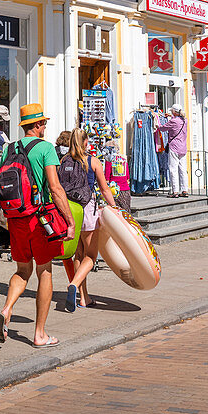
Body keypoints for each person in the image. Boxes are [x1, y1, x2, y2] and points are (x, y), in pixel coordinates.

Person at [0, 103, 74, 349]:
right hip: (40, 220)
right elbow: (56, 188)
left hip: (15, 218)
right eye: (44, 123)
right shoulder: (46, 148)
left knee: (22, 271)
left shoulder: (8, 148)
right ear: (37, 125)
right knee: (45, 271)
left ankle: (6, 309)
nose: (46, 127)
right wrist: (69, 221)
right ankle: (39, 334)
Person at [62, 128, 117, 312]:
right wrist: (116, 208)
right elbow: (104, 189)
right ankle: (73, 285)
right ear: (85, 142)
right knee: (91, 256)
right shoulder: (92, 161)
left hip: (69, 211)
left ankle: (83, 297)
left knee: (78, 255)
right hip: (87, 209)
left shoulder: (64, 161)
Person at [160, 105, 188, 197]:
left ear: (174, 112)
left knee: (173, 169)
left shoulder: (173, 121)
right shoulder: (185, 120)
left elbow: (163, 128)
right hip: (183, 148)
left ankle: (175, 191)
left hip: (174, 148)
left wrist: (157, 125)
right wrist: (170, 117)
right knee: (183, 170)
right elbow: (176, 122)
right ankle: (185, 190)